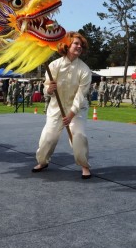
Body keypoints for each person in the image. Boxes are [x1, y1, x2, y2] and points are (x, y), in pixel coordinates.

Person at [33, 31, 92, 179]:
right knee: (48, 137)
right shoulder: (54, 65)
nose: (79, 46)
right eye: (76, 43)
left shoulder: (85, 70)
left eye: (81, 45)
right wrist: (49, 89)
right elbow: (46, 88)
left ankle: (84, 165)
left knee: (78, 135)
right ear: (67, 45)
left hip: (77, 110)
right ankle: (43, 161)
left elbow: (81, 95)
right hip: (56, 108)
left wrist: (71, 115)